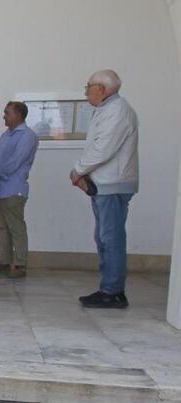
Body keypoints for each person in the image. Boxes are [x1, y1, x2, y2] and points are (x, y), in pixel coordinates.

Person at [71, 69, 139, 309]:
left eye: (88, 87)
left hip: (113, 184)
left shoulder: (118, 111)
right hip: (104, 184)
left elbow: (103, 149)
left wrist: (77, 170)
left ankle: (112, 291)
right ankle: (109, 287)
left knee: (110, 238)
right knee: (104, 237)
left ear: (100, 88)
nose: (86, 92)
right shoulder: (108, 110)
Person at [0, 101, 39, 278]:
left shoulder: (27, 136)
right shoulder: (5, 135)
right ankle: (4, 260)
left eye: (7, 113)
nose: (4, 116)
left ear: (19, 115)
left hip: (13, 189)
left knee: (16, 228)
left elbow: (15, 161)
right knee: (1, 227)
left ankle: (20, 264)